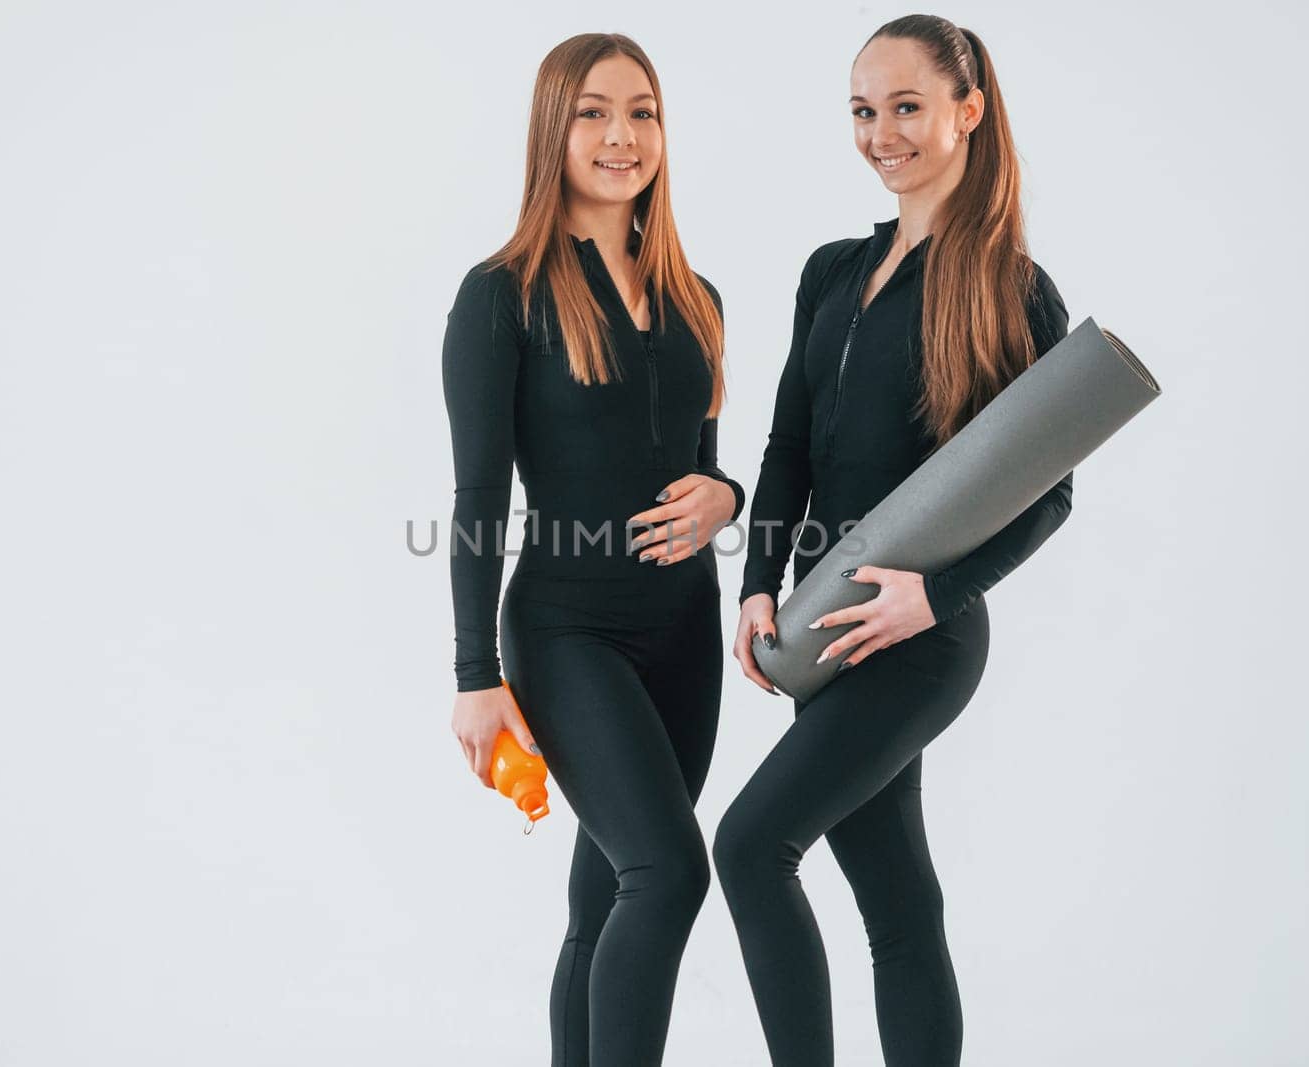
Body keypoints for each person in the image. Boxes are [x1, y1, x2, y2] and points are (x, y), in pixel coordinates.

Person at [713, 15, 1076, 1066]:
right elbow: (786, 444)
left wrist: (935, 592)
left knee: (749, 844)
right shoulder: (832, 270)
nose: (881, 134)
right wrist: (758, 585)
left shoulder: (1009, 285)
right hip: (822, 626)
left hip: (917, 641)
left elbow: (1049, 494)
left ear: (968, 110)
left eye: (906, 107)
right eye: (863, 112)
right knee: (898, 904)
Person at [440, 33, 746, 1067]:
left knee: (611, 891)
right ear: (551, 129)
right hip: (567, 629)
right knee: (667, 871)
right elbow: (478, 494)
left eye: (643, 112)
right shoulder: (504, 292)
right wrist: (474, 674)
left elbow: (701, 472)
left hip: (683, 634)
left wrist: (730, 492)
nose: (622, 136)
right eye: (594, 112)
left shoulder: (698, 296)